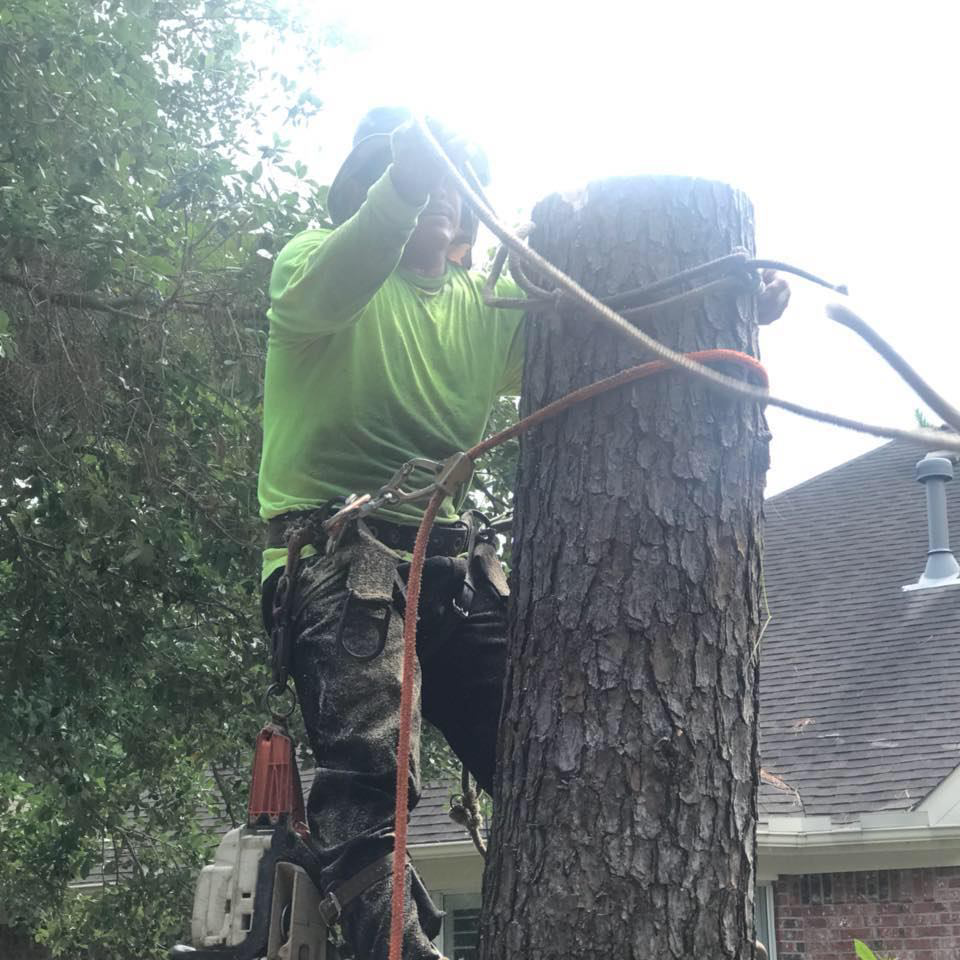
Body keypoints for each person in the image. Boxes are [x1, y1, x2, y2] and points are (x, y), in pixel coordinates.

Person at [258, 107, 790, 960]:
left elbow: (597, 335)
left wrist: (720, 303)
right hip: (340, 564)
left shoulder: (482, 306)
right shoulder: (315, 271)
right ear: (372, 189)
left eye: (449, 184)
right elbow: (328, 280)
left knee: (544, 753)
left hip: (447, 569)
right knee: (371, 777)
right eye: (418, 180)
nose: (439, 196)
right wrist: (404, 178)